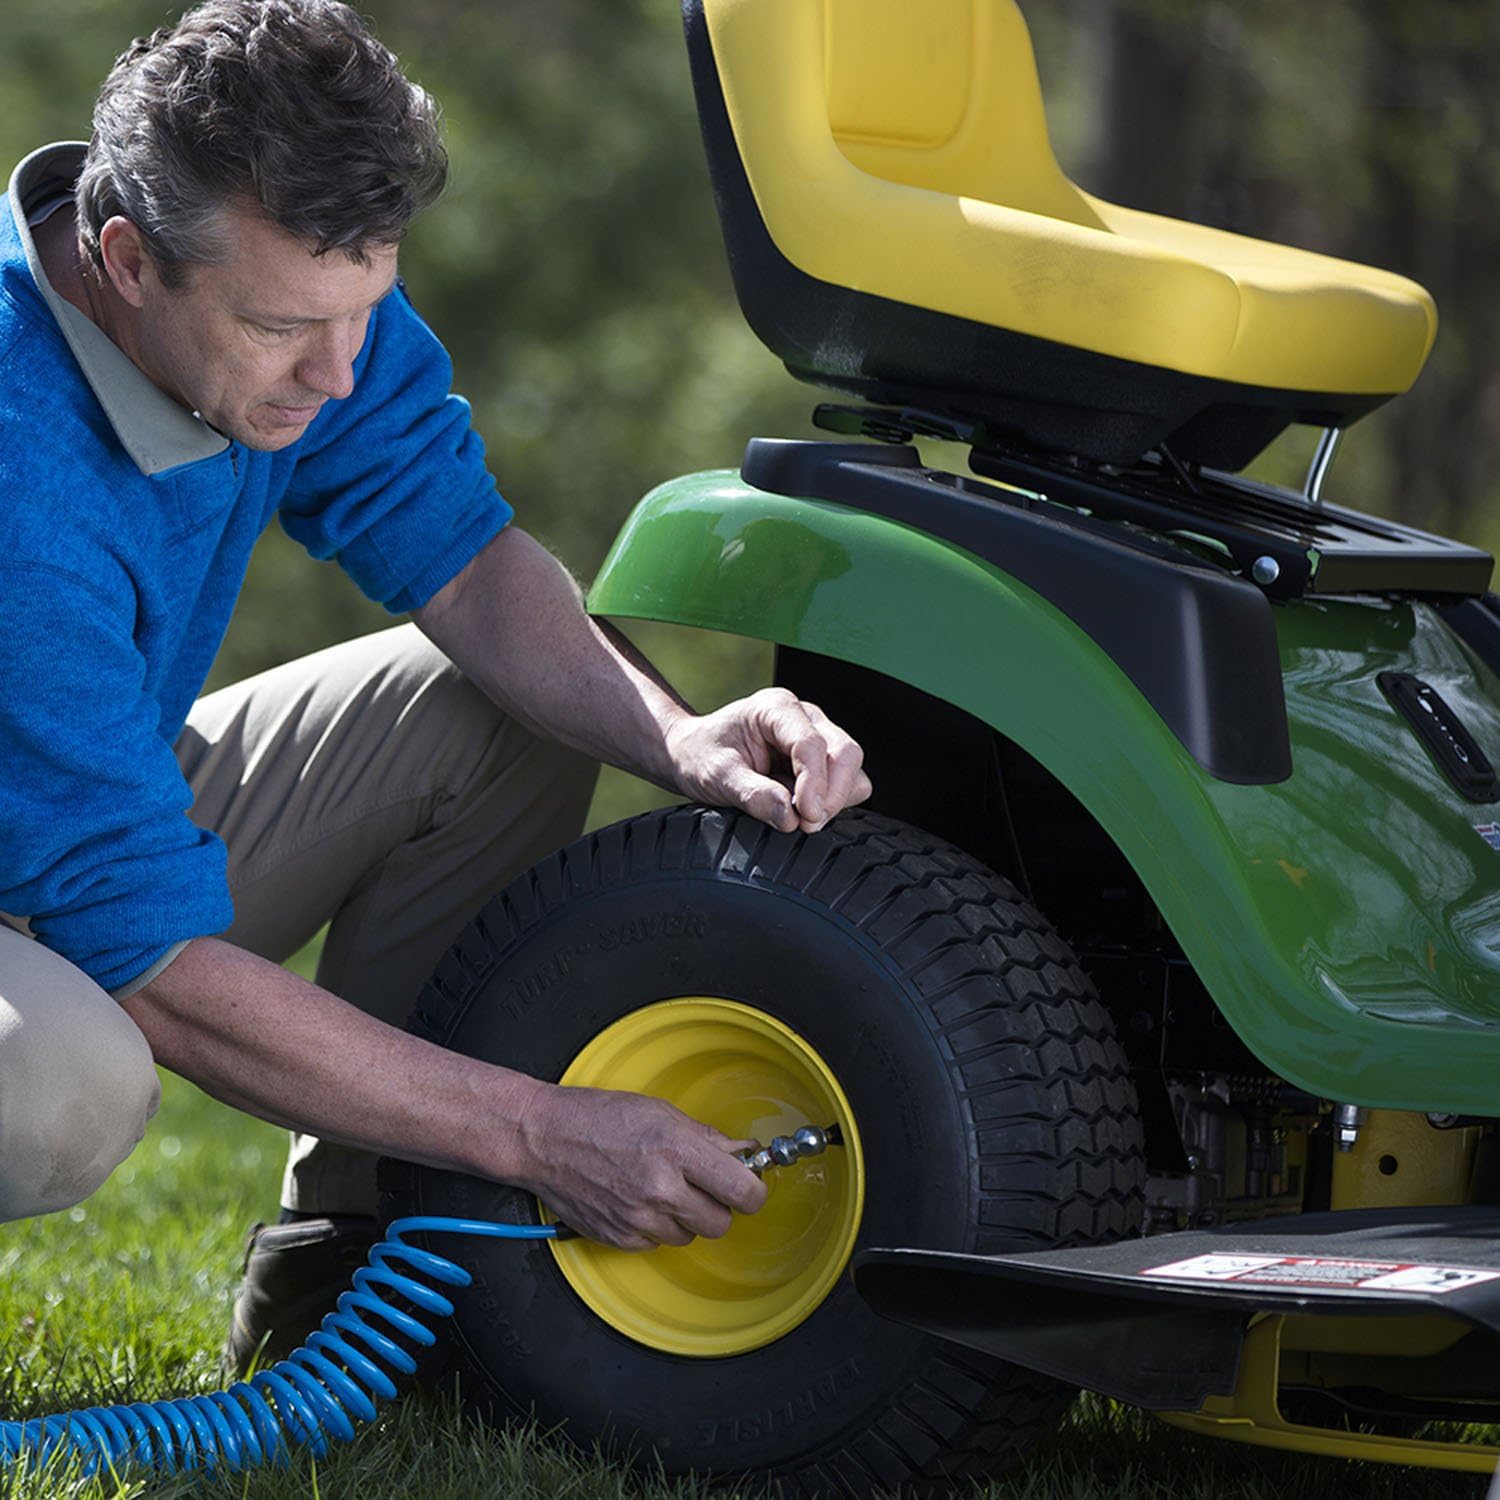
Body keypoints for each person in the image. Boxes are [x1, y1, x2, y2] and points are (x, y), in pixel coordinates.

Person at [0, 0, 870, 1371]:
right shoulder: (15, 475)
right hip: (53, 901)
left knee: (483, 708)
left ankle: (344, 1265)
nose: (340, 373)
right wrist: (541, 1130)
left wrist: (681, 734)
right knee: (58, 1081)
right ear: (123, 260)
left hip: (57, 819)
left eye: (365, 309)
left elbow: (461, 561)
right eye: (288, 327)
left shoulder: (289, 287)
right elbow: (147, 966)